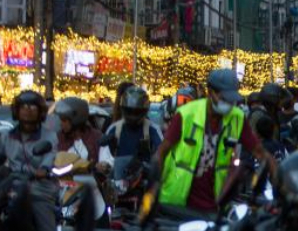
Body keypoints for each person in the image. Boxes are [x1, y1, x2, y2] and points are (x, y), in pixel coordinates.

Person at [153, 69, 276, 217]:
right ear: (210, 92)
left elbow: (260, 153)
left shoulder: (237, 118)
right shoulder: (186, 114)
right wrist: (152, 189)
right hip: (175, 204)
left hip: (213, 207)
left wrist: (281, 181)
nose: (228, 104)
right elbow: (161, 153)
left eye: (231, 100)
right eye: (223, 98)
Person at [0, 90, 61, 231]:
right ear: (16, 110)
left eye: (32, 106)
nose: (28, 110)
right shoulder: (6, 136)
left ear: (41, 111)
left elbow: (50, 159)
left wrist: (42, 170)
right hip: (9, 187)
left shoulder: (49, 137)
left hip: (38, 189)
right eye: (23, 106)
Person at [54, 96, 108, 231]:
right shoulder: (57, 139)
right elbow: (52, 158)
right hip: (64, 188)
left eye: (65, 120)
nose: (62, 124)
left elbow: (107, 159)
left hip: (91, 189)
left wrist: (103, 165)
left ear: (76, 119)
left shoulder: (96, 136)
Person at [102, 86, 162, 176]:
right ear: (123, 109)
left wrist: (153, 165)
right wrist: (104, 165)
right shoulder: (114, 129)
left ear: (144, 111)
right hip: (119, 181)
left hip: (144, 181)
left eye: (137, 112)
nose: (133, 116)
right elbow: (104, 158)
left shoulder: (152, 129)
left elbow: (162, 152)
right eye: (129, 111)